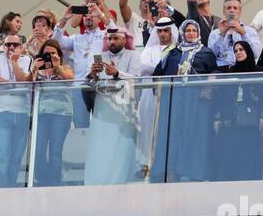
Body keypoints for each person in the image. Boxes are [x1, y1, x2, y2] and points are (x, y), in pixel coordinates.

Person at [152, 19, 218, 181]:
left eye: (194, 31)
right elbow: (158, 73)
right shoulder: (172, 52)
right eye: (188, 31)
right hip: (173, 98)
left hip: (196, 99)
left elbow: (214, 72)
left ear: (198, 33)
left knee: (194, 133)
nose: (191, 33)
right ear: (182, 33)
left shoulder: (206, 52)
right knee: (172, 133)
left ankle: (193, 172)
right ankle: (168, 171)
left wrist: (208, 83)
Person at [84, 26, 143, 185]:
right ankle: (98, 181)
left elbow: (137, 80)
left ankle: (119, 182)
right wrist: (92, 74)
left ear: (125, 40)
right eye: (109, 39)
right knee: (101, 146)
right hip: (103, 105)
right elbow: (88, 82)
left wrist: (117, 73)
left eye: (116, 38)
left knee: (121, 148)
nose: (112, 41)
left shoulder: (133, 55)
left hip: (123, 107)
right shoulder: (100, 56)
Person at [0, 33, 36, 188]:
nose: (11, 47)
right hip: (2, 112)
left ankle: (11, 186)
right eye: (8, 44)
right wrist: (10, 83)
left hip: (22, 112)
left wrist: (15, 62)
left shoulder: (27, 60)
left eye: (15, 45)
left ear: (21, 47)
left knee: (16, 156)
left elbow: (24, 81)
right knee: (2, 152)